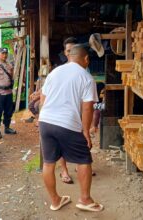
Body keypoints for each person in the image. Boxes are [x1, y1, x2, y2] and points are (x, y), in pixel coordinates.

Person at [39, 45, 104, 212]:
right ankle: (85, 199)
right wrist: (86, 131)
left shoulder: (54, 72)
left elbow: (42, 99)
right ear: (86, 59)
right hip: (67, 123)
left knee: (48, 163)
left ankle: (55, 200)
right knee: (84, 160)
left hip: (45, 120)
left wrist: (42, 119)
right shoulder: (86, 77)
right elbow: (88, 108)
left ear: (69, 56)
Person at [56, 37, 80, 184]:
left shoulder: (84, 67)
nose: (70, 53)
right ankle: (64, 171)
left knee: (80, 141)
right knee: (61, 143)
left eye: (73, 50)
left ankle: (80, 166)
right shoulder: (60, 71)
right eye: (68, 50)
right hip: (63, 113)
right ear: (65, 53)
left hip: (78, 112)